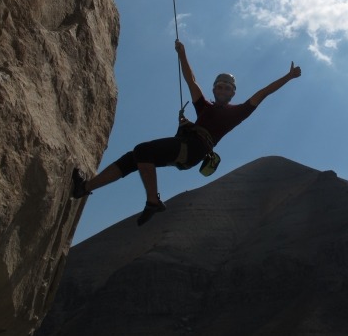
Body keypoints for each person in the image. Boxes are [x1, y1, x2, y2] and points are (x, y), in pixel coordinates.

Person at [72, 39, 302, 226]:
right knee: (133, 158)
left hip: (195, 148)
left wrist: (288, 77)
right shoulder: (204, 107)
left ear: (233, 94)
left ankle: (153, 200)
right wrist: (182, 53)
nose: (222, 90)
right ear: (214, 89)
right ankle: (85, 188)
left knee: (143, 150)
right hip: (186, 147)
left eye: (227, 88)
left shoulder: (237, 113)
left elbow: (262, 93)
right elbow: (191, 80)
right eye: (220, 87)